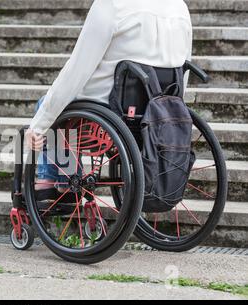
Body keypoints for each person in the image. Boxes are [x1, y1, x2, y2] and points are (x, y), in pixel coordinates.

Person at [25, 0, 193, 201]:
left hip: (109, 107)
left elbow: (77, 69)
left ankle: (61, 183)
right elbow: (182, 67)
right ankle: (64, 181)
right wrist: (174, 109)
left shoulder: (111, 5)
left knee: (45, 104)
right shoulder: (179, 7)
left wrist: (38, 124)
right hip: (156, 109)